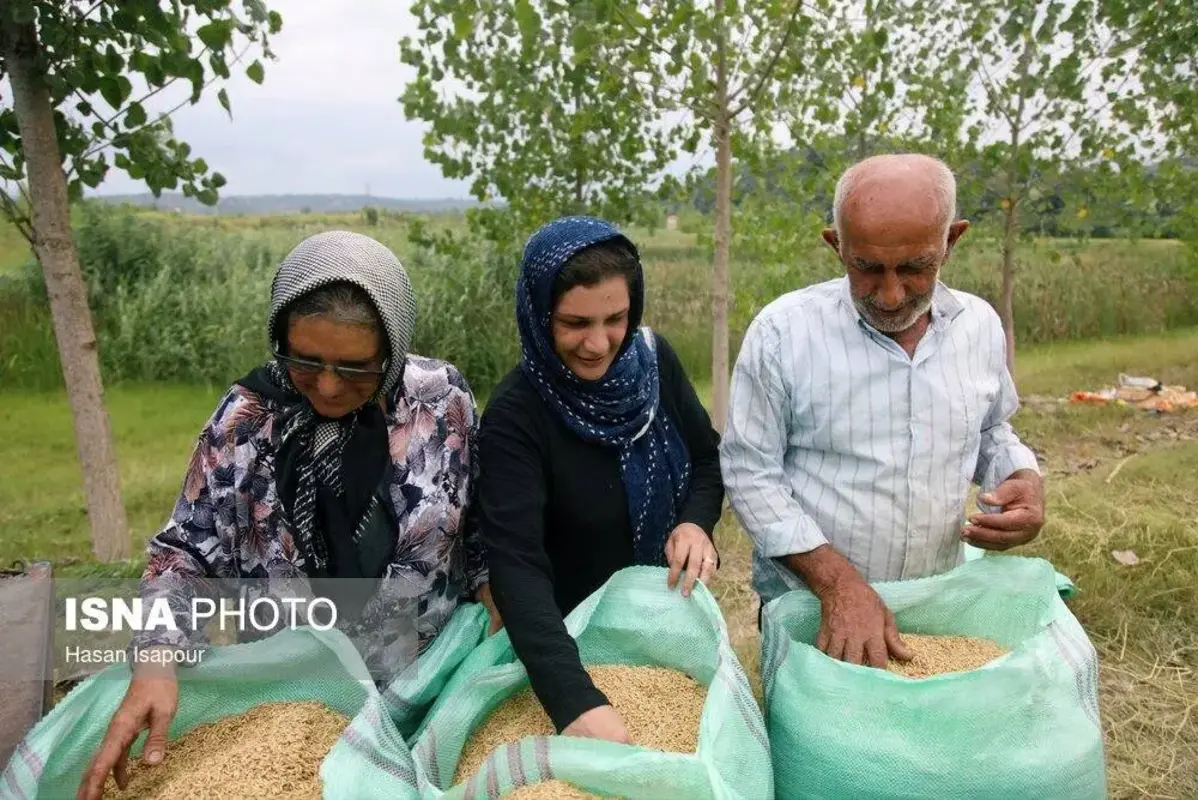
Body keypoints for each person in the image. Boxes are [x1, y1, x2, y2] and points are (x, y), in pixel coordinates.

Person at [78, 230, 499, 800]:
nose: (327, 387)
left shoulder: (441, 402)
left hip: (430, 692)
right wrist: (158, 653)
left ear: (393, 350)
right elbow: (183, 555)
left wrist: (494, 591)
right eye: (306, 361)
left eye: (355, 368)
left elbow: (477, 524)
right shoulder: (244, 423)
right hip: (295, 708)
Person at [720, 153, 1045, 669]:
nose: (891, 295)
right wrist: (837, 586)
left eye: (916, 268)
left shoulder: (978, 326)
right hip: (812, 610)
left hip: (933, 602)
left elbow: (991, 429)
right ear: (836, 246)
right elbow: (748, 471)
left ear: (951, 241)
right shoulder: (783, 333)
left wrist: (1021, 475)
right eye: (866, 268)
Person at [477, 216, 723, 744]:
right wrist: (575, 702)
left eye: (616, 318)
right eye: (574, 323)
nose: (598, 342)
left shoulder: (654, 363)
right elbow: (517, 566)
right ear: (539, 316)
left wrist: (695, 524)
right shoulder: (516, 416)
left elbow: (707, 460)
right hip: (562, 645)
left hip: (659, 635)